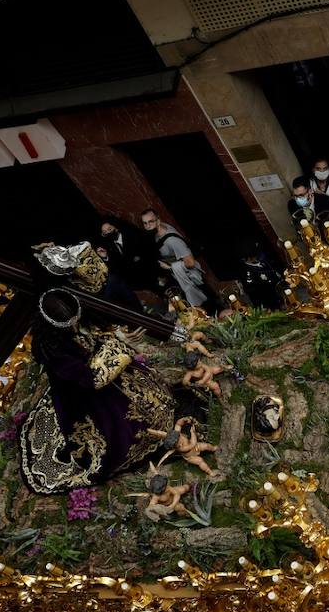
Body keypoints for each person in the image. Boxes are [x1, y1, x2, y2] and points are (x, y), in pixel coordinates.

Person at [17, 289, 175, 493]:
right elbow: (92, 380)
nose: (76, 326)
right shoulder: (53, 350)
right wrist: (119, 346)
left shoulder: (74, 324)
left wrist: (113, 338)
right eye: (71, 324)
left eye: (77, 320)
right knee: (122, 436)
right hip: (84, 396)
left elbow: (93, 340)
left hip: (107, 377)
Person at [141, 208, 208, 309]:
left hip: (190, 278)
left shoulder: (172, 240)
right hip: (177, 276)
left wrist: (169, 267)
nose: (148, 226)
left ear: (158, 220)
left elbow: (190, 263)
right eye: (145, 223)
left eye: (151, 221)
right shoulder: (159, 230)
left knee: (202, 305)